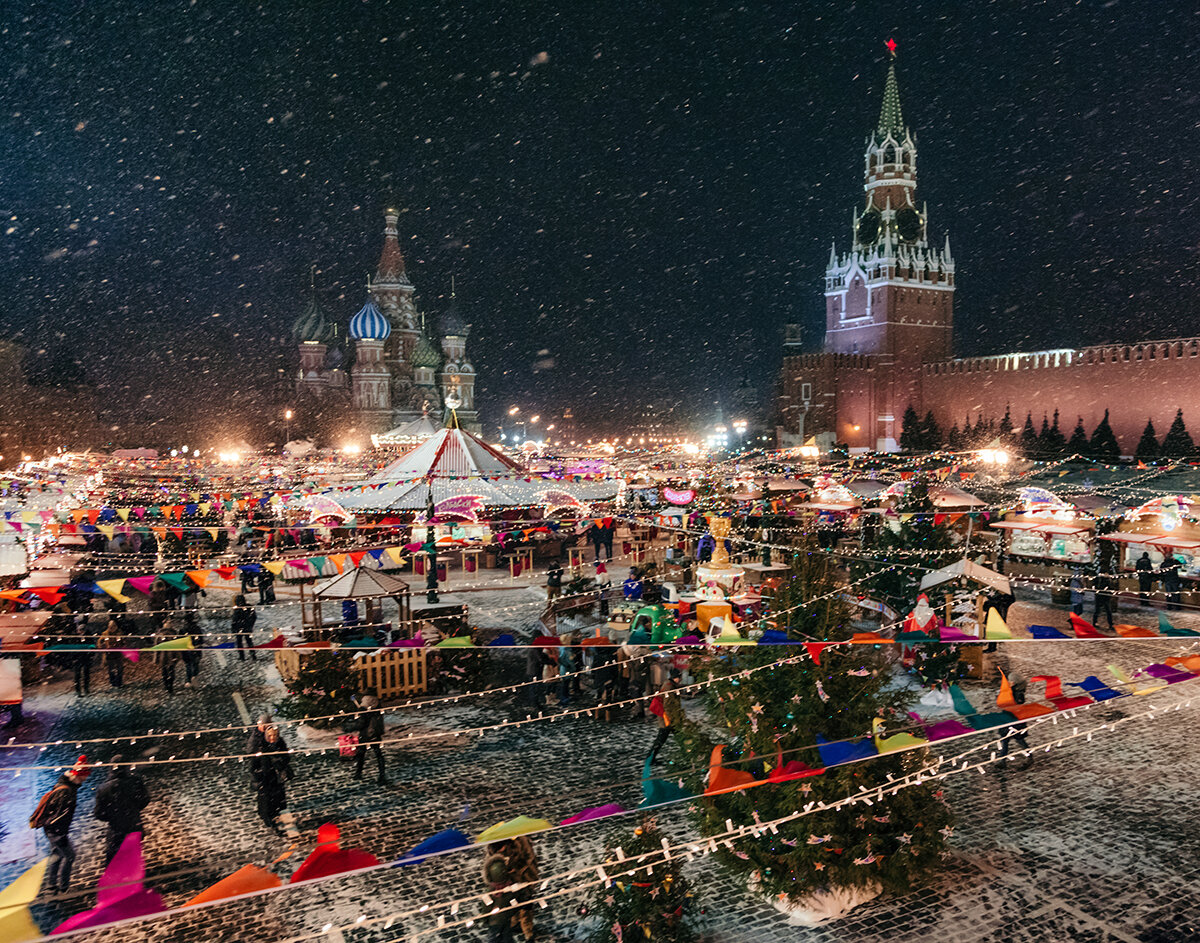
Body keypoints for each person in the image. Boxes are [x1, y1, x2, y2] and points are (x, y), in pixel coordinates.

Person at [29, 756, 90, 893]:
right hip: (56, 831)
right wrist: (60, 835)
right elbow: (59, 816)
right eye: (84, 776)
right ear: (77, 776)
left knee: (56, 855)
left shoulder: (67, 786)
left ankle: (51, 885)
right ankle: (64, 887)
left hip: (53, 830)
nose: (85, 779)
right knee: (70, 856)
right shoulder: (66, 792)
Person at [93, 756, 151, 865]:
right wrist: (134, 809)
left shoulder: (103, 788)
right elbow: (145, 800)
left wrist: (113, 815)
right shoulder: (136, 781)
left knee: (114, 860)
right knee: (134, 856)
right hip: (134, 825)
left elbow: (99, 813)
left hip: (116, 829)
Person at [249, 725, 293, 835]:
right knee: (267, 803)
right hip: (265, 779)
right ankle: (272, 822)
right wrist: (259, 778)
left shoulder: (280, 744)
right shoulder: (260, 747)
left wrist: (280, 762)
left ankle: (279, 821)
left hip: (277, 779)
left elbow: (286, 758)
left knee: (279, 801)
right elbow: (253, 765)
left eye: (275, 735)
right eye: (270, 736)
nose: (272, 738)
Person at [349, 694, 387, 785]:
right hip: (376, 733)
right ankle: (382, 775)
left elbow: (361, 724)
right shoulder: (377, 706)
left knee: (361, 754)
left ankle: (358, 773)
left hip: (366, 735)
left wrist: (351, 726)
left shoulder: (364, 709)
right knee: (378, 755)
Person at [648, 670, 681, 764]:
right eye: (679, 677)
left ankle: (651, 758)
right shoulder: (669, 686)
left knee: (668, 738)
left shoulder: (670, 684)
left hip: (669, 717)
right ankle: (650, 759)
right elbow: (667, 705)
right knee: (661, 739)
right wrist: (670, 719)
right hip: (667, 718)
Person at [97, 615, 125, 689]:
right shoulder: (105, 633)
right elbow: (99, 641)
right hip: (109, 653)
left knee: (119, 668)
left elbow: (122, 641)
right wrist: (102, 646)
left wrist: (120, 644)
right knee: (111, 668)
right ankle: (113, 682)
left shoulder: (119, 633)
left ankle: (119, 682)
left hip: (118, 652)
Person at [231, 595, 258, 662]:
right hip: (246, 627)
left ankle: (242, 656)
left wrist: (234, 628)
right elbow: (253, 617)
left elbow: (234, 620)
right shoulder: (248, 607)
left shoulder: (237, 609)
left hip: (239, 628)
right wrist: (250, 625)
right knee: (249, 641)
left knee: (240, 642)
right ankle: (252, 655)